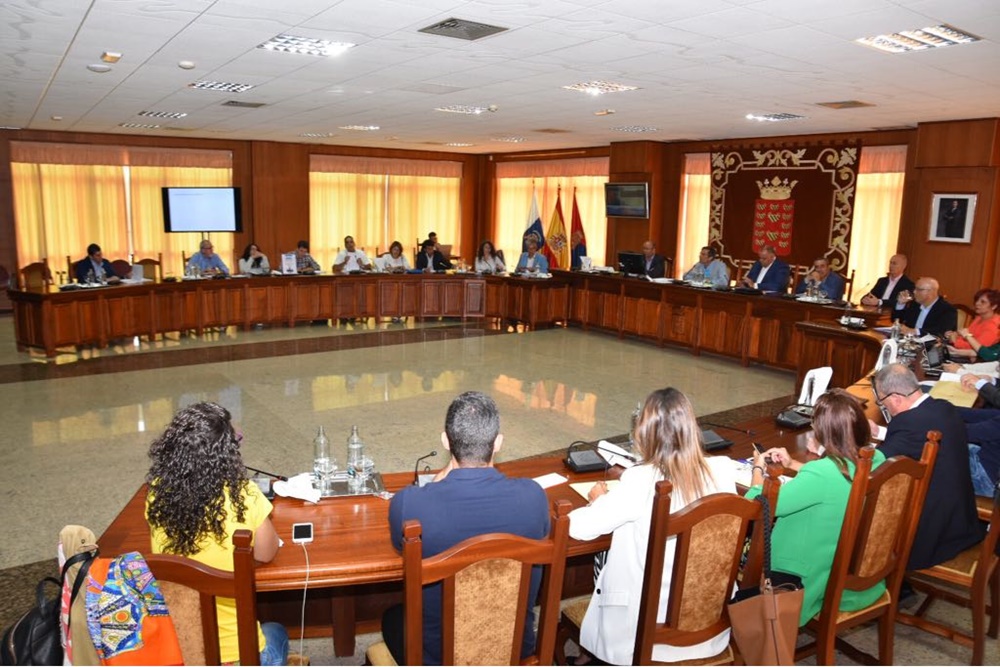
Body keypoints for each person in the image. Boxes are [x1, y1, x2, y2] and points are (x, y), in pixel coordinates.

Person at [568, 388, 737, 665]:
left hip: (642, 638)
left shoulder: (641, 481)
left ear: (643, 433)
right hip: (709, 631)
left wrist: (598, 502)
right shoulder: (722, 470)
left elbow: (578, 528)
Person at [381, 392, 549, 665]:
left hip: (439, 657)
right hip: (514, 650)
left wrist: (440, 477)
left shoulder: (409, 505)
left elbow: (400, 548)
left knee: (392, 618)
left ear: (446, 441)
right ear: (498, 443)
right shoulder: (534, 497)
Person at [145, 403, 288, 666]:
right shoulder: (244, 495)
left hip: (182, 650)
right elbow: (267, 554)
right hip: (240, 656)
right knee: (276, 631)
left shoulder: (157, 494)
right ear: (225, 455)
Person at [748, 390, 886, 625]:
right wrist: (792, 464)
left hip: (811, 584)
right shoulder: (876, 458)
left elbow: (759, 504)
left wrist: (758, 468)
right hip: (860, 579)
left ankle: (742, 620)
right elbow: (841, 478)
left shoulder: (822, 473)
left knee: (743, 547)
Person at [869, 364, 983, 570]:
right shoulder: (944, 407)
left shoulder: (907, 424)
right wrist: (880, 432)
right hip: (963, 520)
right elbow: (916, 437)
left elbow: (873, 466)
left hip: (934, 535)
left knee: (864, 519)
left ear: (895, 398)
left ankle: (891, 581)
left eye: (882, 402)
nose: (885, 407)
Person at [945, 288, 1000, 359]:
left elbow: (979, 349)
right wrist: (954, 334)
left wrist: (955, 340)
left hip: (977, 360)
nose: (977, 303)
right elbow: (968, 336)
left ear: (994, 306)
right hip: (964, 353)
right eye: (977, 300)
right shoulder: (979, 317)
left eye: (983, 302)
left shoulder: (994, 325)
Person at [956, 407, 1000, 496]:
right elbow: (981, 415)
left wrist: (937, 421)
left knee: (939, 456)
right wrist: (945, 408)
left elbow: (968, 433)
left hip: (988, 480)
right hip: (990, 465)